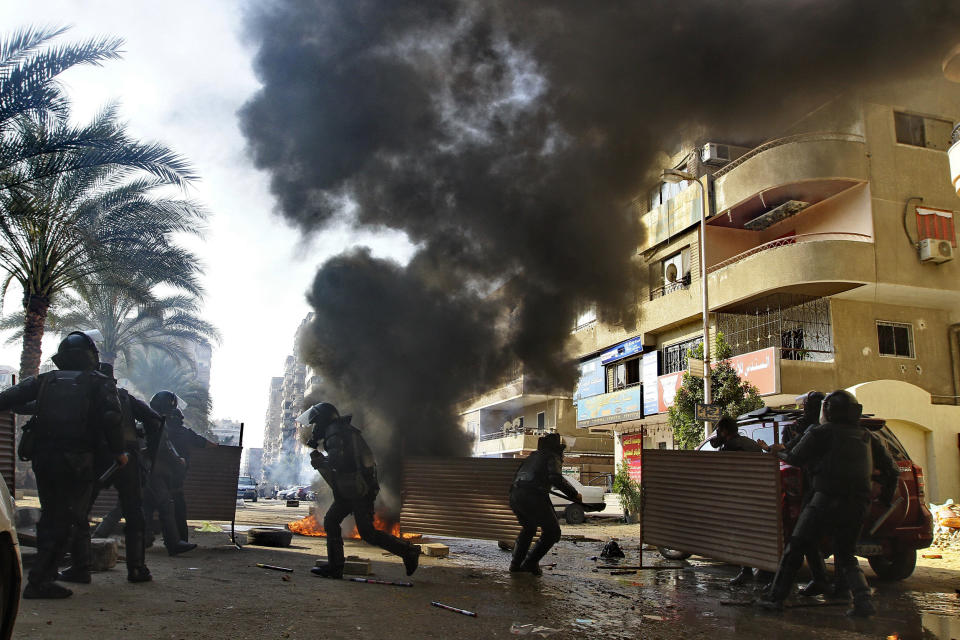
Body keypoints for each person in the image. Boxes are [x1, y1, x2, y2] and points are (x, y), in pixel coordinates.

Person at [0, 331, 124, 598]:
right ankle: (40, 581)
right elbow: (113, 418)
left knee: (51, 516)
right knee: (67, 520)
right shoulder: (100, 382)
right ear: (91, 357)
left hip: (44, 460)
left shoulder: (45, 380)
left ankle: (45, 576)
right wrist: (118, 452)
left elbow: (7, 399)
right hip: (78, 462)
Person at [759, 390, 900, 617]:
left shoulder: (820, 432)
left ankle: (776, 599)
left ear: (828, 410)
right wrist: (883, 498)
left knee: (795, 547)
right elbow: (892, 471)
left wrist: (779, 454)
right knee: (845, 554)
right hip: (858, 503)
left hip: (825, 499)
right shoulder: (867, 436)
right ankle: (863, 600)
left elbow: (794, 457)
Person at [300, 402, 421, 579]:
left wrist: (321, 462)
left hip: (357, 491)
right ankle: (335, 567)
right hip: (352, 489)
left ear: (324, 420)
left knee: (367, 533)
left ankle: (409, 551)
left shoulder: (335, 432)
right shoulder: (343, 429)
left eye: (317, 422)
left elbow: (337, 462)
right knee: (332, 521)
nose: (315, 427)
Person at [766, 391, 833, 597]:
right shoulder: (853, 431)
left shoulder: (813, 431)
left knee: (798, 540)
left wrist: (778, 452)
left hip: (814, 492)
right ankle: (832, 586)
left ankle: (777, 594)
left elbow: (793, 457)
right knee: (832, 545)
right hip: (839, 494)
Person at [509, 432, 581, 576]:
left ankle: (515, 564)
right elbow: (555, 478)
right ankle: (529, 563)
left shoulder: (533, 456)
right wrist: (573, 494)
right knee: (553, 532)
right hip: (532, 496)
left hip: (516, 495)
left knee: (529, 528)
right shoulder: (552, 456)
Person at [150, 391, 216, 542]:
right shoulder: (181, 432)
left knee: (149, 507)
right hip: (171, 479)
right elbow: (206, 444)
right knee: (175, 509)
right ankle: (177, 541)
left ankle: (159, 540)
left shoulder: (154, 427)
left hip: (153, 477)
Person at [710, 416, 765, 587]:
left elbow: (724, 475)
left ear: (725, 431)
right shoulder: (751, 443)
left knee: (742, 536)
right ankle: (759, 570)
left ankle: (747, 571)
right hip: (758, 497)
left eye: (719, 429)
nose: (718, 433)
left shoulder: (730, 447)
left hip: (740, 499)